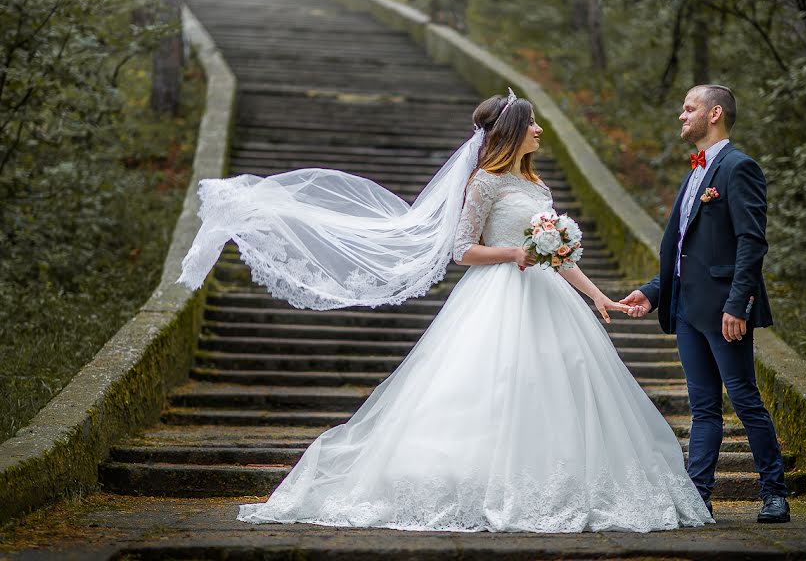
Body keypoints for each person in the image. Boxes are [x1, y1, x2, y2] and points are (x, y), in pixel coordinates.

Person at [179, 90, 714, 532]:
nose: (540, 133)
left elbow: (557, 255)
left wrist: (595, 296)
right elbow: (462, 249)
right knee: (490, 387)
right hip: (495, 297)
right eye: (533, 125)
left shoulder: (537, 185)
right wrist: (513, 253)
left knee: (554, 384)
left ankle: (555, 479)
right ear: (512, 132)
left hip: (547, 297)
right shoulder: (483, 183)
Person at [620, 85, 789, 523]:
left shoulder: (739, 167)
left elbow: (752, 242)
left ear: (714, 114)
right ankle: (699, 495)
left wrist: (738, 304)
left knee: (745, 398)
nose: (682, 116)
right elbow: (684, 248)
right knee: (703, 407)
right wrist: (655, 291)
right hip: (687, 309)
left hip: (724, 310)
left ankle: (775, 493)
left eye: (689, 109)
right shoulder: (695, 171)